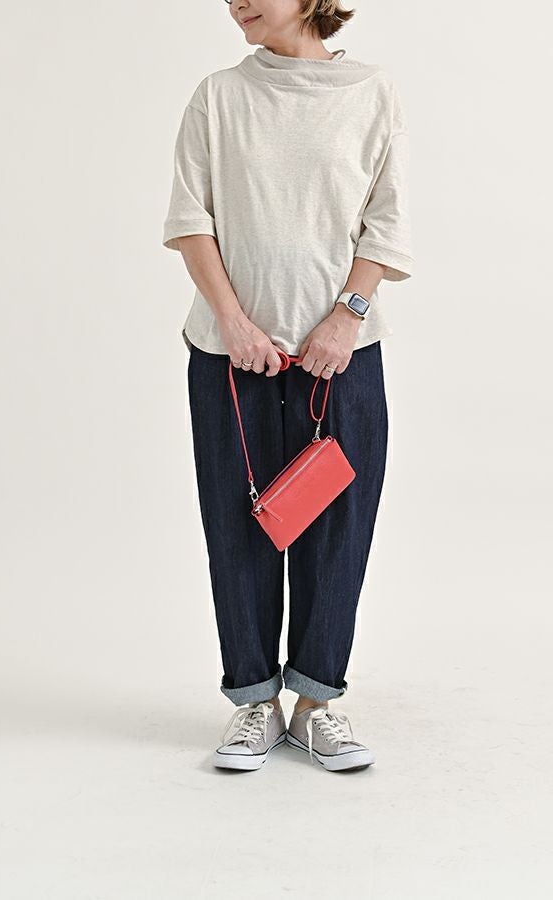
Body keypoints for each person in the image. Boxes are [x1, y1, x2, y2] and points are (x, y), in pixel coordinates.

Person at [162, 0, 413, 772]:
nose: (235, 1)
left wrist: (346, 317)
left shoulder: (370, 92)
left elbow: (386, 223)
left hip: (341, 356)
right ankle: (254, 704)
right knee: (238, 524)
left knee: (337, 530)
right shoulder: (219, 96)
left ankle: (315, 703)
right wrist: (234, 323)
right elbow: (191, 220)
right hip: (231, 355)